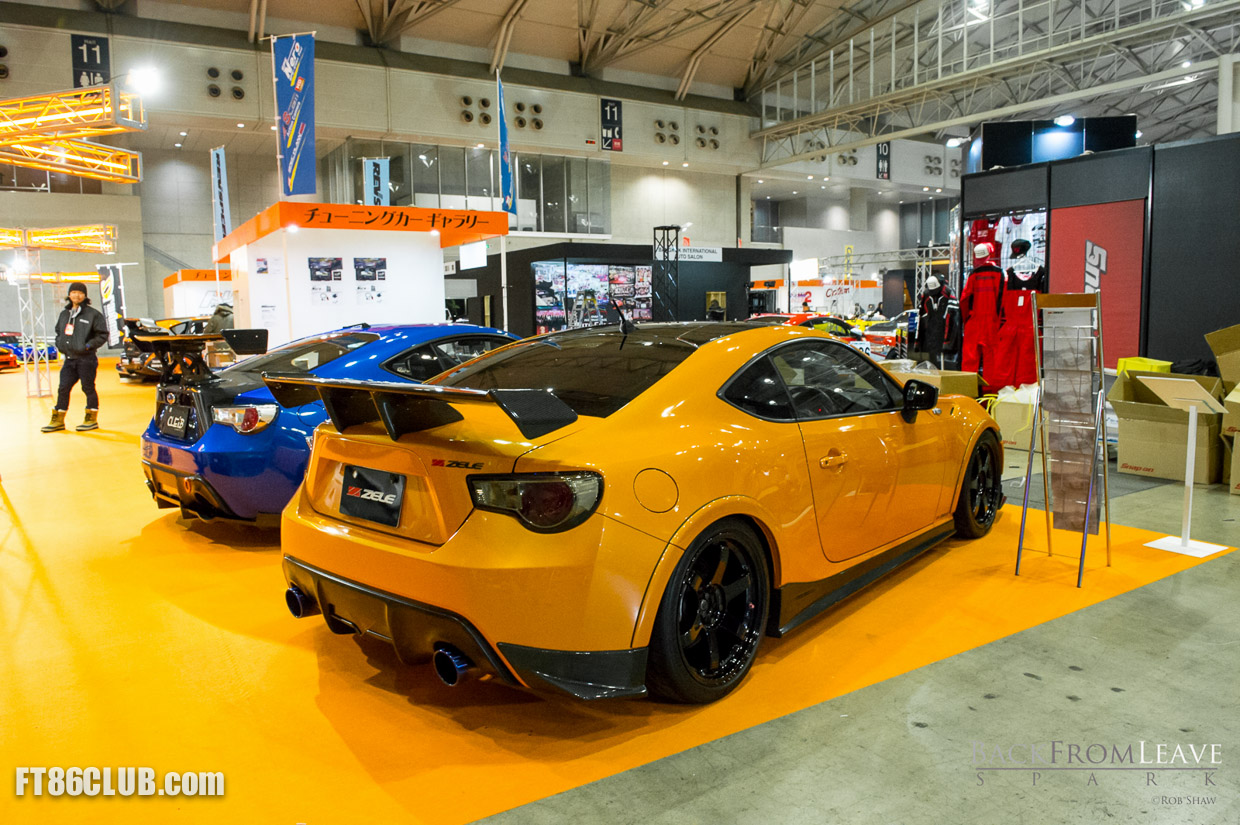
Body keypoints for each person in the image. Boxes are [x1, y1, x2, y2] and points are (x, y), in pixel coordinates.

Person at [43, 282, 108, 433]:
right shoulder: (64, 314)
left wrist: (88, 346)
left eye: (80, 293)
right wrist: (60, 344)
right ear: (69, 294)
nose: (76, 295)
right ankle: (58, 420)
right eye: (73, 292)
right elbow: (59, 332)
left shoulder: (93, 314)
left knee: (88, 387)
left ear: (85, 295)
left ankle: (91, 419)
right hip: (69, 359)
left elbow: (102, 334)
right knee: (63, 388)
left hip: (86, 359)